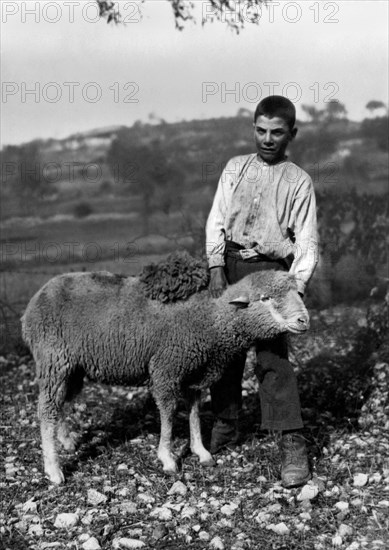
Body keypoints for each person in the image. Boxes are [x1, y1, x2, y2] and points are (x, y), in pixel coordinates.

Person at [205, 95, 319, 488]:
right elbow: (217, 219)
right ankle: (226, 422)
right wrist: (216, 266)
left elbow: (306, 244)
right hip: (232, 267)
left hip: (272, 273)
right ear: (253, 127)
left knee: (272, 358)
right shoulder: (235, 168)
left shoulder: (299, 181)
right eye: (260, 130)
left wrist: (294, 288)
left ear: (291, 134)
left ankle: (291, 443)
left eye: (277, 132)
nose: (267, 139)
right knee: (223, 352)